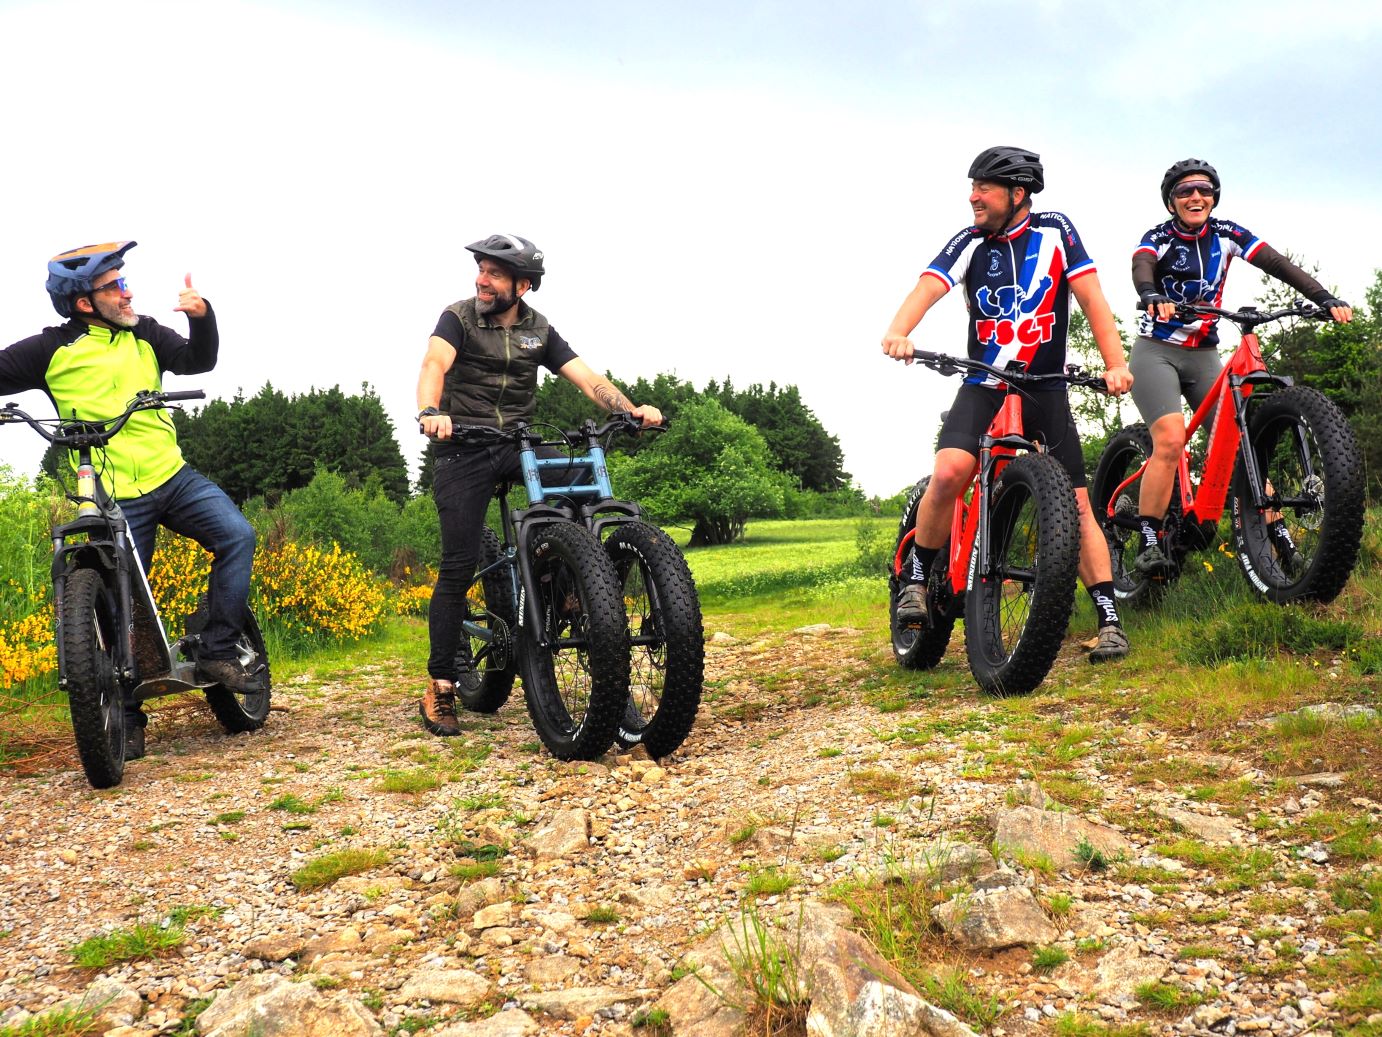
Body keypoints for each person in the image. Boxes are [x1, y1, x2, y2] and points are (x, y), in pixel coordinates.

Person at [0, 241, 261, 760]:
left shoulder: (145, 333)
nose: (128, 292)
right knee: (120, 611)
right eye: (115, 285)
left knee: (238, 536)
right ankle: (126, 717)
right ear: (83, 302)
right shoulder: (51, 350)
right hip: (114, 493)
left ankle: (219, 646)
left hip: (173, 475)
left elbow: (197, 361)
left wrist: (203, 318)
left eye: (124, 281)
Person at [882, 146, 1136, 663]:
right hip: (984, 382)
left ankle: (1109, 620)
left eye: (983, 187)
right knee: (951, 470)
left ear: (1017, 194)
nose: (973, 196)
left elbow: (1092, 298)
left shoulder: (1056, 231)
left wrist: (1116, 363)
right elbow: (929, 286)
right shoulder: (970, 241)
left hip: (1044, 385)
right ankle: (915, 578)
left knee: (1079, 504)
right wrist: (899, 330)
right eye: (972, 186)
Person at [414, 234, 662, 736]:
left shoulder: (538, 330)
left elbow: (585, 376)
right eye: (481, 270)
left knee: (577, 489)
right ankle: (441, 684)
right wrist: (431, 411)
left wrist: (628, 409)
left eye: (495, 274)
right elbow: (433, 364)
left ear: (523, 285)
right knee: (459, 562)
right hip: (462, 444)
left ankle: (570, 588)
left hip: (518, 444)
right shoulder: (458, 317)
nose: (482, 280)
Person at [1128, 158, 1353, 574]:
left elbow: (1276, 263)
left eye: (1204, 190)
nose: (1196, 197)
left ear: (1213, 197)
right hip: (1156, 351)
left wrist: (1324, 297)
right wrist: (1150, 292)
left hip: (1204, 354)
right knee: (1172, 440)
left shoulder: (1226, 234)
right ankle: (1148, 538)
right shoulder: (1158, 237)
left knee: (1241, 442)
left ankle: (1277, 535)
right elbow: (1142, 263)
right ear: (1172, 201)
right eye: (1185, 191)